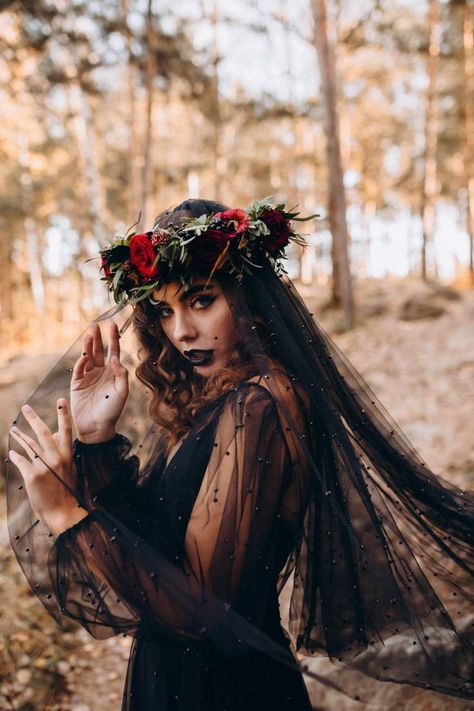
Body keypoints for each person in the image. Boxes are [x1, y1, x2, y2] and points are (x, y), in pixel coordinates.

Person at [6, 197, 474, 710]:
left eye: (202, 300)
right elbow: (154, 547)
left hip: (227, 689)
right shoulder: (211, 401)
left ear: (248, 297)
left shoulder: (262, 404)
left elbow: (199, 609)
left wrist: (66, 516)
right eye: (164, 310)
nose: (182, 330)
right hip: (181, 677)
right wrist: (96, 440)